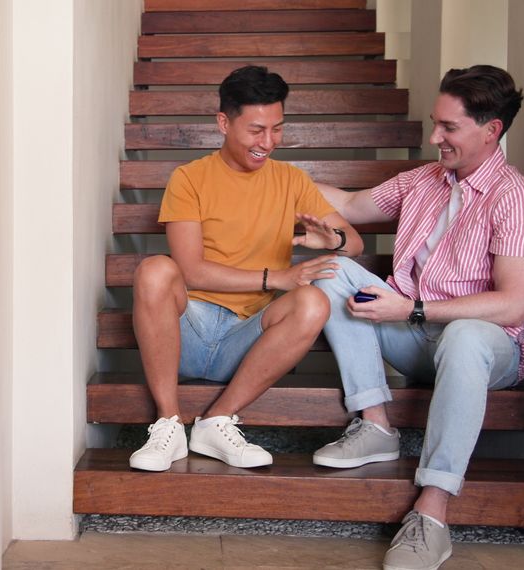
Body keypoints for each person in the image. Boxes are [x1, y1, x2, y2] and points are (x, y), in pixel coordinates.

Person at [310, 65, 524, 570]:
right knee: (332, 270)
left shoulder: (519, 199)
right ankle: (375, 423)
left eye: (448, 128)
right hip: (413, 334)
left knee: (464, 336)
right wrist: (271, 179)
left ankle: (433, 510)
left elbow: (512, 305)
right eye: (434, 123)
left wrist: (413, 307)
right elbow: (352, 205)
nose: (434, 137)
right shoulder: (424, 180)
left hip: (487, 349)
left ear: (491, 130)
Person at [128, 65, 363, 472]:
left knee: (312, 302)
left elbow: (354, 242)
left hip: (247, 339)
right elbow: (192, 270)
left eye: (277, 129)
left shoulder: (291, 180)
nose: (268, 142)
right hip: (187, 333)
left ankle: (217, 420)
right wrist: (277, 278)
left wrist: (334, 241)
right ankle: (168, 425)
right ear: (223, 122)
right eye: (257, 129)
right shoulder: (189, 179)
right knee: (154, 270)